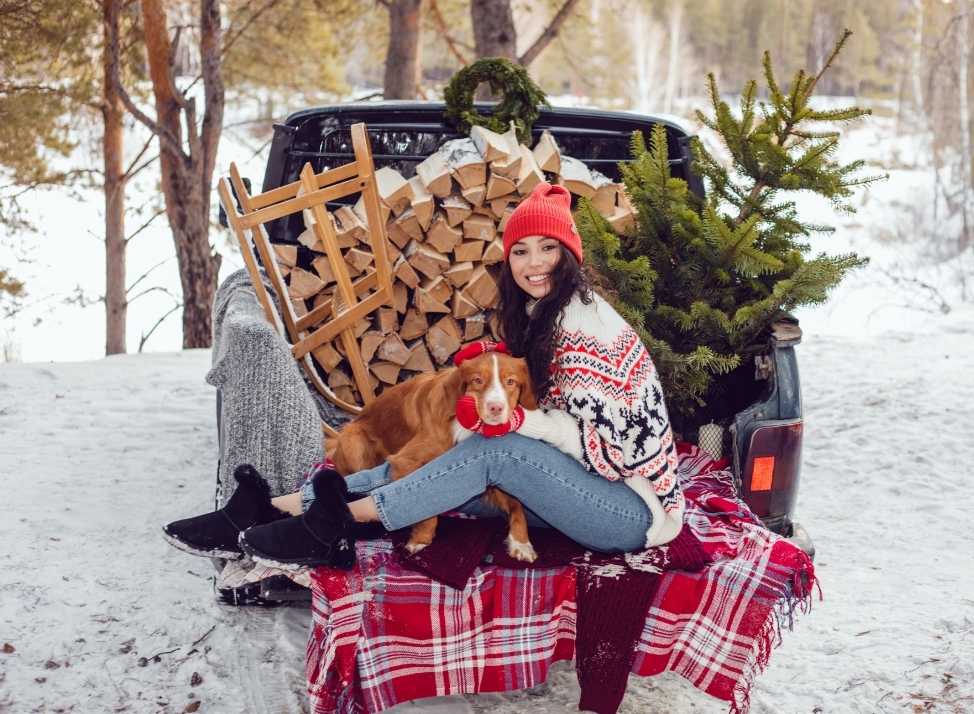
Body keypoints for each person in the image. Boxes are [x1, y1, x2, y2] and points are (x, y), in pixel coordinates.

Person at [163, 182, 684, 569]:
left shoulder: (584, 327)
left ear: (570, 254)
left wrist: (517, 423)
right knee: (447, 457)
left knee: (494, 449)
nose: (534, 263)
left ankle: (337, 523)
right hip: (586, 490)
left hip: (630, 512)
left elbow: (611, 447)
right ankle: (273, 508)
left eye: (548, 248)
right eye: (521, 251)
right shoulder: (549, 313)